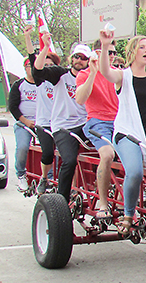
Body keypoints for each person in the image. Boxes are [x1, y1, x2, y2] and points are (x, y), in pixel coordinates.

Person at [97, 30, 146, 235]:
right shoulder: (123, 76)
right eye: (142, 47)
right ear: (132, 52)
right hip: (127, 134)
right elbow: (105, 71)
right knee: (135, 172)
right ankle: (128, 213)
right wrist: (105, 45)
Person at [32, 34, 89, 202]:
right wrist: (44, 48)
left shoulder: (91, 77)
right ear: (71, 58)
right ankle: (62, 199)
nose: (79, 60)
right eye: (77, 56)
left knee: (110, 150)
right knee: (70, 161)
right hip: (63, 126)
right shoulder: (60, 74)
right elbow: (38, 71)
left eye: (83, 58)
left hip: (85, 124)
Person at [75, 39, 119, 221]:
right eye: (108, 52)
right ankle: (103, 202)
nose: (111, 56)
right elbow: (80, 99)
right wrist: (93, 73)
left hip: (119, 122)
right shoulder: (85, 74)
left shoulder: (118, 74)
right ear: (97, 54)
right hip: (97, 122)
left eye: (113, 53)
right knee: (107, 154)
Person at [22, 26, 57, 195]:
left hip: (60, 123)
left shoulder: (61, 80)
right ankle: (44, 178)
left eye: (51, 65)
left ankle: (71, 186)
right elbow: (32, 58)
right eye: (45, 65)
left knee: (69, 156)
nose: (48, 68)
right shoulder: (40, 81)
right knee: (48, 152)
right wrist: (29, 38)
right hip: (43, 124)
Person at [8, 56, 38, 192]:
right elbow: (13, 107)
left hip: (41, 123)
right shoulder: (18, 85)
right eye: (29, 66)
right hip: (24, 124)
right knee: (22, 147)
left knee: (51, 149)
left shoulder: (43, 84)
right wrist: (25, 121)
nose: (32, 68)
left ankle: (48, 176)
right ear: (25, 68)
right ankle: (21, 174)